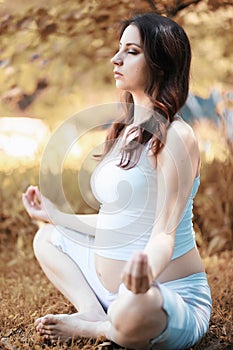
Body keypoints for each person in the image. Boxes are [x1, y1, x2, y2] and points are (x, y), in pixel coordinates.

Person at [22, 13, 212, 350]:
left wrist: (144, 278)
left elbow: (164, 234)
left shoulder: (178, 137)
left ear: (161, 62)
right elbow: (117, 221)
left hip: (163, 296)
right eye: (119, 48)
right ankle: (94, 314)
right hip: (116, 289)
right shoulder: (127, 131)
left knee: (132, 308)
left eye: (132, 51)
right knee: (47, 238)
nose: (116, 58)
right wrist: (55, 216)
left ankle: (105, 329)